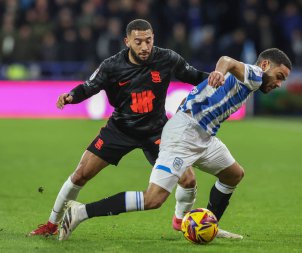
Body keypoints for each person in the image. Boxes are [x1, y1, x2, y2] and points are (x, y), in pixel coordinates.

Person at [57, 48, 292, 241]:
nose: (280, 84)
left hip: (205, 137)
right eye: (280, 76)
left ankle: (208, 223)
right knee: (153, 200)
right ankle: (81, 212)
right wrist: (219, 72)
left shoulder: (251, 81)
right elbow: (227, 60)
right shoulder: (255, 74)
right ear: (264, 66)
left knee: (233, 175)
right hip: (183, 134)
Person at [29, 19, 209, 236]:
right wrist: (71, 96)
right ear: (127, 42)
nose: (144, 47)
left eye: (148, 41)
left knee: (188, 179)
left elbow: (197, 77)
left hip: (157, 131)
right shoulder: (112, 66)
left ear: (154, 39)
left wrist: (222, 79)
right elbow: (89, 86)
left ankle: (181, 223)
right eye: (138, 42)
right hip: (120, 130)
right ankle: (51, 224)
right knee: (80, 175)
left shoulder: (166, 58)